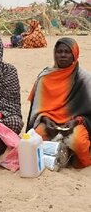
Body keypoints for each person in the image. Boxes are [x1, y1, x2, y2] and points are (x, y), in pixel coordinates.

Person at [27, 37, 91, 168]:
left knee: (78, 142)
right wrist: (45, 119)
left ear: (74, 55)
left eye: (67, 52)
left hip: (75, 122)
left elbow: (88, 112)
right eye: (59, 51)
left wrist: (76, 121)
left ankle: (73, 157)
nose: (62, 55)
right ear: (54, 53)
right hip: (49, 123)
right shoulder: (45, 77)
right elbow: (37, 108)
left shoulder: (84, 79)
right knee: (34, 140)